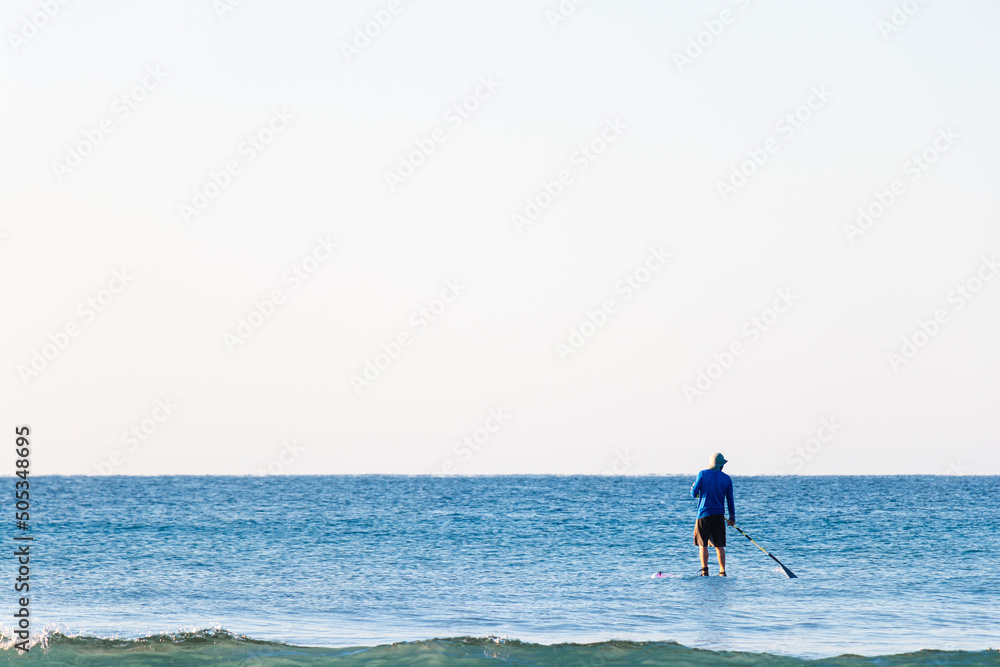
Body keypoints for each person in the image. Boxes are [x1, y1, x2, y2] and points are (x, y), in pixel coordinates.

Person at [690, 452, 735, 576]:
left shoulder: (703, 474)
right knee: (719, 545)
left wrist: (694, 490)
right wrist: (732, 518)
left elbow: (694, 494)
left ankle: (705, 571)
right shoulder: (727, 478)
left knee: (702, 544)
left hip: (703, 515)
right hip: (719, 516)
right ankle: (722, 571)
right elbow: (730, 499)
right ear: (721, 465)